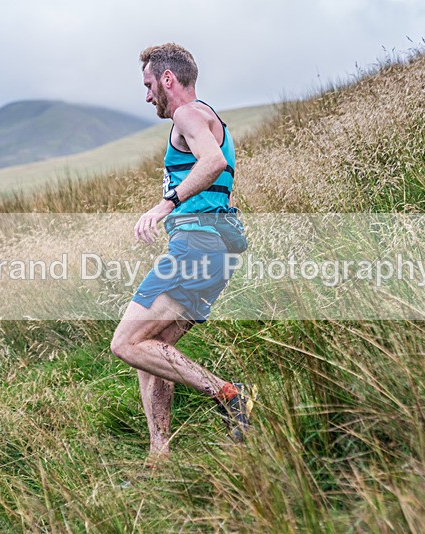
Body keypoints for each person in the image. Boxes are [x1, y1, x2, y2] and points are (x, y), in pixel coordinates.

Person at [110, 43, 253, 462]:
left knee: (124, 343)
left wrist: (165, 205)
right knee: (150, 351)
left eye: (149, 84)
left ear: (167, 79)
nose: (147, 95)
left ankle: (228, 393)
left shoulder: (188, 114)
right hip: (214, 248)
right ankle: (160, 456)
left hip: (197, 244)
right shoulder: (208, 116)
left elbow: (212, 164)